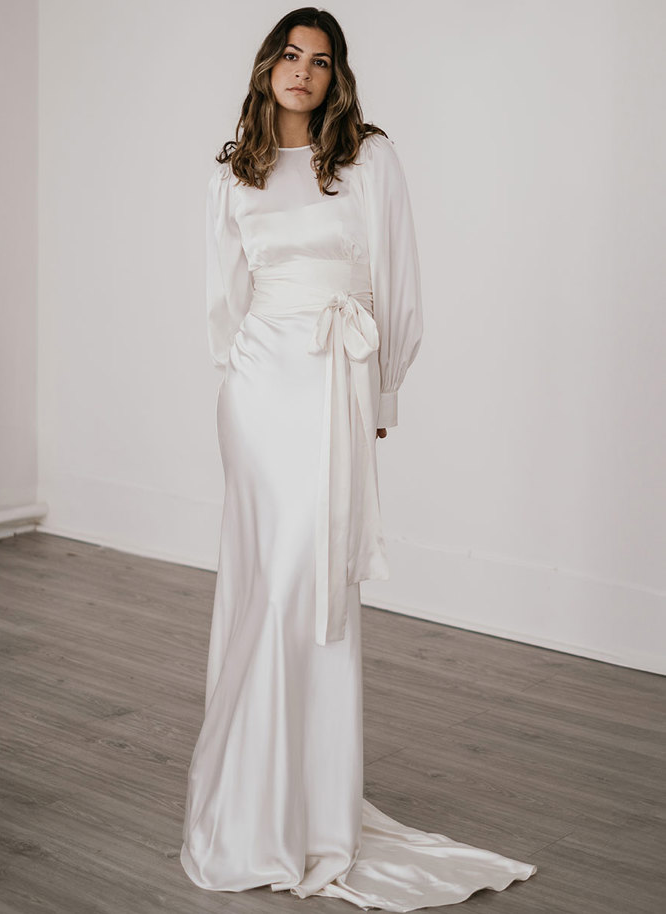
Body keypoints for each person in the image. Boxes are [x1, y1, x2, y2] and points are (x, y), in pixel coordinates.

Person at [181, 8, 538, 910]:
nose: (302, 71)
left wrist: (378, 398)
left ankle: (302, 808)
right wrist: (242, 387)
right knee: (268, 581)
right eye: (289, 55)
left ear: (337, 78)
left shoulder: (367, 159)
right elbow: (221, 306)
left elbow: (398, 287)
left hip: (335, 383)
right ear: (267, 67)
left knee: (313, 584)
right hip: (257, 393)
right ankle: (248, 805)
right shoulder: (236, 170)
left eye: (320, 60)